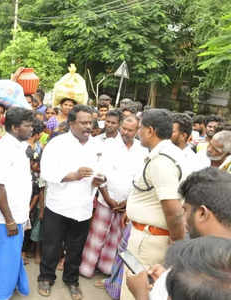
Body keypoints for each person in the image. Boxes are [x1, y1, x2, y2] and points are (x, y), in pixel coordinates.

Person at [126, 167, 231, 300]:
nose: (182, 217)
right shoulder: (209, 260)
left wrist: (141, 295)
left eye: (185, 210)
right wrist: (168, 280)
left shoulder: (211, 272)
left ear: (202, 213)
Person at [121, 109, 186, 300]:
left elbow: (172, 209)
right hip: (148, 235)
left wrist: (176, 244)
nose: (138, 132)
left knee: (136, 291)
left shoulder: (162, 161)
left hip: (149, 241)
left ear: (150, 130)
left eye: (140, 128)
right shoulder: (169, 153)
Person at [38, 105, 102, 300]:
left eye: (90, 122)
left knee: (76, 247)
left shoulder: (98, 145)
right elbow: (46, 173)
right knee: (52, 245)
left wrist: (101, 180)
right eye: (83, 122)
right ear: (72, 123)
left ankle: (72, 280)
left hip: (83, 206)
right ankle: (46, 277)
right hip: (58, 206)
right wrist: (72, 176)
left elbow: (103, 170)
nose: (88, 126)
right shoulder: (57, 144)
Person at [79, 116, 148, 279]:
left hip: (127, 204)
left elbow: (141, 179)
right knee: (97, 235)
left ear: (137, 130)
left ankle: (106, 268)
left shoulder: (142, 150)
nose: (125, 132)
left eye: (130, 130)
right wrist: (107, 197)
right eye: (123, 128)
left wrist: (128, 201)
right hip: (106, 199)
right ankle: (87, 267)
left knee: (116, 237)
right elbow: (99, 172)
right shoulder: (109, 145)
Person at [0, 107, 34, 300]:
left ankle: (10, 286)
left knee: (11, 257)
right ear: (14, 127)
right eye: (27, 125)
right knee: (0, 260)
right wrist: (10, 220)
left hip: (17, 214)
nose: (31, 129)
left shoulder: (20, 146)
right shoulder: (0, 150)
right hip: (3, 219)